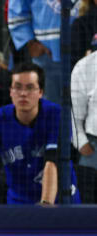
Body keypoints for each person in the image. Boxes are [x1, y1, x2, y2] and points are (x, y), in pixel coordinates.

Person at [0, 61, 78, 205]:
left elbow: (51, 163)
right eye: (17, 87)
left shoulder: (57, 115)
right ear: (10, 91)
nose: (23, 94)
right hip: (19, 204)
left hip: (60, 201)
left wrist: (46, 205)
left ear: (41, 92)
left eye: (30, 88)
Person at [8, 0, 79, 106]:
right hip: (47, 55)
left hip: (89, 52)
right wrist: (30, 42)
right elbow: (16, 11)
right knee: (50, 110)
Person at [71, 35, 97, 203]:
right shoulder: (85, 66)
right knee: (87, 208)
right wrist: (82, 143)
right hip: (93, 147)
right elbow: (75, 115)